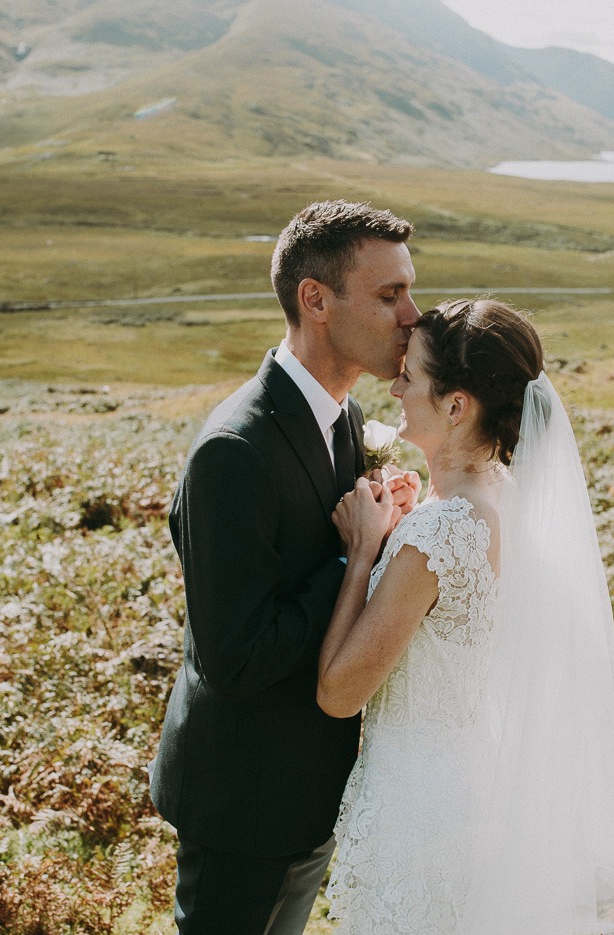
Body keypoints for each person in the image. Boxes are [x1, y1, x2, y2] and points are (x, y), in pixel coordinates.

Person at [319, 299, 614, 934]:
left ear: (455, 406)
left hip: (418, 811)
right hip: (478, 785)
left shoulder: (440, 533)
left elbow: (339, 692)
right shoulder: (503, 498)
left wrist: (364, 552)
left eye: (410, 376)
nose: (394, 386)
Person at [150, 200, 424, 935]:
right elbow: (235, 657)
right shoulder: (233, 451)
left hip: (311, 791)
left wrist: (386, 525)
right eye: (390, 294)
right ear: (316, 300)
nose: (412, 316)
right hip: (244, 798)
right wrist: (353, 555)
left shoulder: (346, 420)